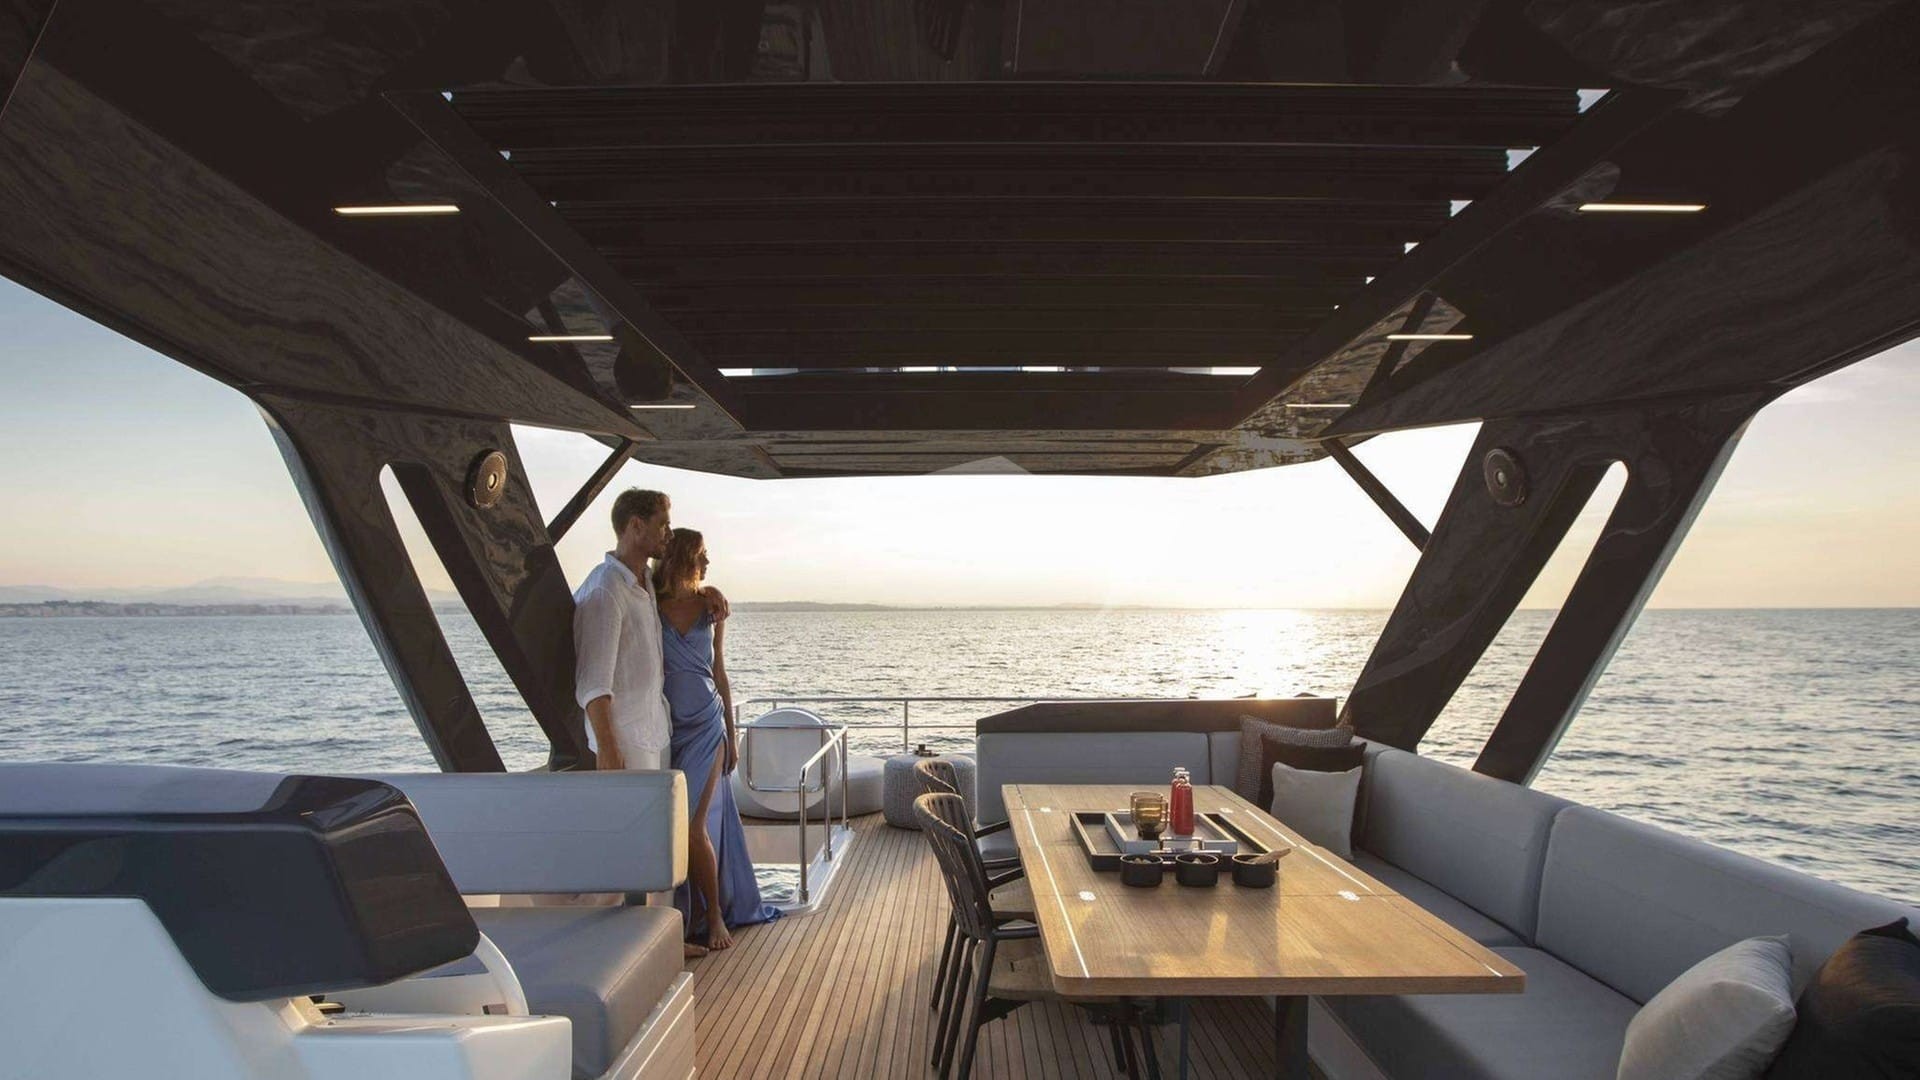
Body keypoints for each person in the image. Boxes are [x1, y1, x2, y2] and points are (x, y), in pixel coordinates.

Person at [572, 489, 727, 957]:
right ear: (635, 526)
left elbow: (683, 597)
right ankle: (607, 946)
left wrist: (708, 592)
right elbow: (593, 682)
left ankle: (665, 940)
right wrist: (608, 748)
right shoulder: (605, 591)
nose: (668, 533)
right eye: (662, 524)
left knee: (658, 844)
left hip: (659, 733)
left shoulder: (641, 586)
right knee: (627, 848)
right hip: (628, 741)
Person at [655, 527, 781, 949]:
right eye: (701, 555)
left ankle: (713, 918)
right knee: (674, 826)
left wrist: (732, 731)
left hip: (708, 726)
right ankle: (684, 915)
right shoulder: (650, 604)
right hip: (669, 730)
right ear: (682, 556)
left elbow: (719, 672)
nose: (708, 562)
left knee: (692, 826)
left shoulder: (710, 609)